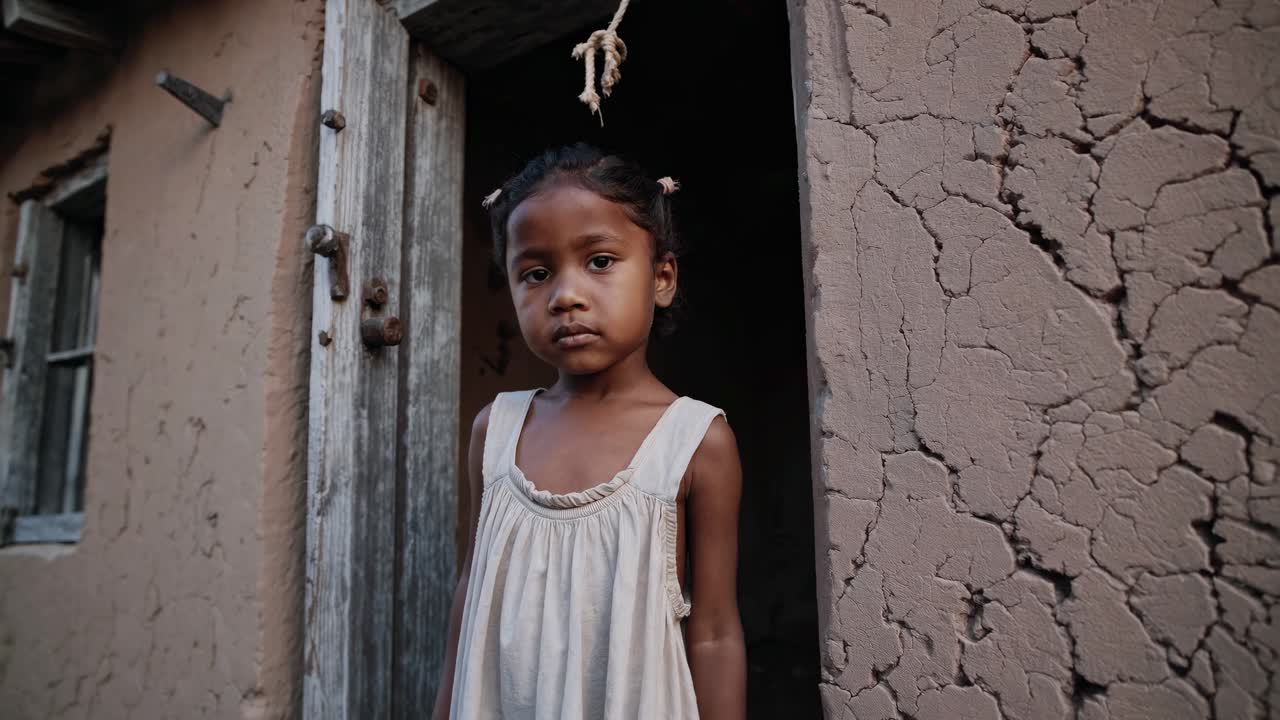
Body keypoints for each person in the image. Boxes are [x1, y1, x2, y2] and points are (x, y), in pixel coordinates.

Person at [432, 143, 747, 719]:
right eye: (535, 273)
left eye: (599, 261)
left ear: (663, 278)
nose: (565, 296)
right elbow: (471, 597)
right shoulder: (495, 432)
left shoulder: (695, 443)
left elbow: (715, 632)